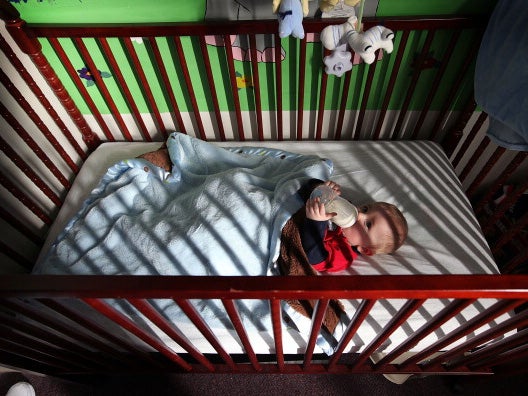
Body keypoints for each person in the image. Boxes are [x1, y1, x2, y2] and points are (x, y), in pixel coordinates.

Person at [299, 180, 408, 272]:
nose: (359, 214)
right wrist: (322, 188)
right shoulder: (343, 209)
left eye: (368, 224)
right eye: (365, 209)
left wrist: (316, 222)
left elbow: (313, 257)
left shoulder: (344, 255)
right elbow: (307, 187)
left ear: (365, 249)